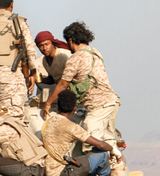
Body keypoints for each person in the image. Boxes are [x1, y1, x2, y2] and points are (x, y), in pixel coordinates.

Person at [40, 21, 120, 152]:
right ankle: (116, 163)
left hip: (98, 105)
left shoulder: (75, 58)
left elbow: (63, 85)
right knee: (108, 140)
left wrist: (48, 104)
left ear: (70, 40)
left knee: (91, 145)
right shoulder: (95, 52)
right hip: (111, 102)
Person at [41, 90, 120, 176]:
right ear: (74, 108)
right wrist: (113, 150)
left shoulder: (48, 122)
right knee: (102, 154)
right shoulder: (71, 127)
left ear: (57, 107)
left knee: (84, 162)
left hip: (47, 175)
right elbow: (101, 145)